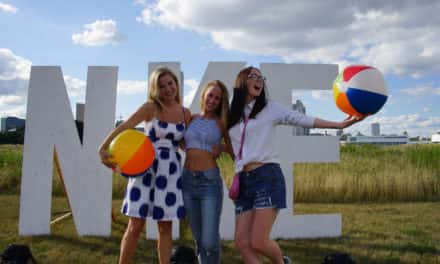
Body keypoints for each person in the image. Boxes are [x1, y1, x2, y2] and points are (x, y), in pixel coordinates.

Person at [227, 66, 364, 264]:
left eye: (261, 77)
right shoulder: (233, 114)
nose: (259, 80)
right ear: (242, 81)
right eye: (253, 76)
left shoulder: (270, 108)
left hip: (266, 177)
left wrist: (339, 125)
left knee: (258, 241)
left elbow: (302, 119)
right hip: (243, 181)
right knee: (241, 242)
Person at [98, 67, 191, 264]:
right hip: (145, 168)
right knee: (135, 224)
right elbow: (125, 126)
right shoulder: (150, 108)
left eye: (170, 83)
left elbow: (186, 143)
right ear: (155, 89)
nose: (168, 89)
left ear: (176, 84)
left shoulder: (186, 113)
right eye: (162, 85)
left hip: (171, 172)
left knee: (165, 227)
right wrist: (103, 148)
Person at [181, 80, 230, 264]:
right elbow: (178, 136)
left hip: (209, 183)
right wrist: (179, 141)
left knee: (209, 241)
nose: (212, 100)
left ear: (220, 102)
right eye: (210, 95)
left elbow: (235, 150)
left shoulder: (221, 123)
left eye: (217, 98)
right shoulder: (190, 119)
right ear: (203, 96)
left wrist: (222, 148)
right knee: (199, 239)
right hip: (187, 182)